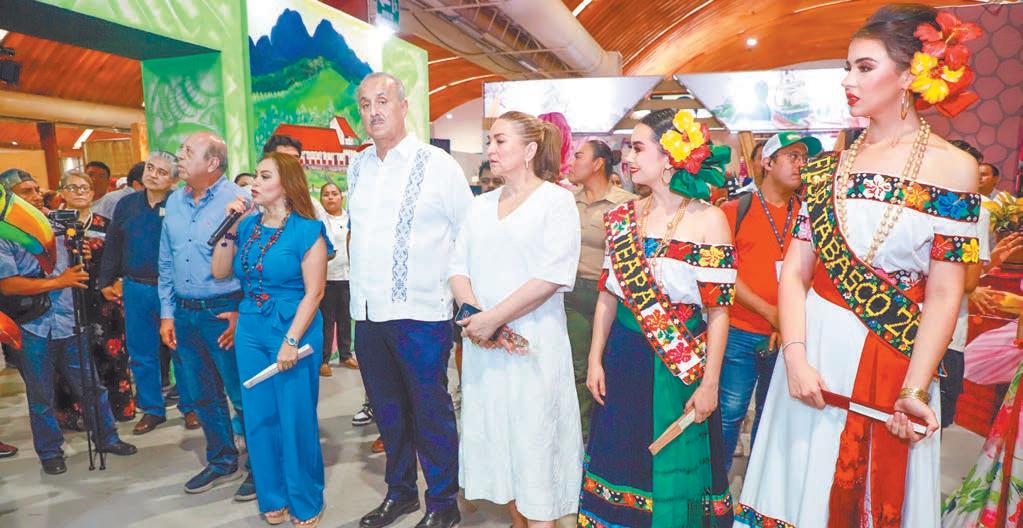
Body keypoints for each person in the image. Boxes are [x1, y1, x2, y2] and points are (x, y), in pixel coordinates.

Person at [736, 5, 983, 526]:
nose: (847, 81)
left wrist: (915, 388)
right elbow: (795, 271)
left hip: (896, 358)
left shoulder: (954, 170)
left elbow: (945, 292)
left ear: (911, 74)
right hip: (812, 354)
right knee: (797, 488)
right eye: (847, 68)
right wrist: (795, 357)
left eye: (864, 67)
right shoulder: (827, 167)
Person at [579, 108, 735, 527]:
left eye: (637, 148)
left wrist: (710, 383)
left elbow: (719, 311)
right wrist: (595, 359)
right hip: (624, 357)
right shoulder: (622, 218)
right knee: (621, 457)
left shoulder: (709, 220)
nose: (627, 157)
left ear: (670, 156)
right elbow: (608, 296)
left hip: (682, 364)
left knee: (675, 468)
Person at [348, 72, 471, 528]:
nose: (373, 111)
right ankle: (400, 493)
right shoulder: (358, 166)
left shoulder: (437, 165)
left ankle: (443, 503)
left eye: (382, 101)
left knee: (430, 413)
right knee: (388, 412)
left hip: (420, 313)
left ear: (404, 107)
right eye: (365, 104)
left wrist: (466, 301)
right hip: (367, 313)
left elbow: (467, 235)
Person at [452, 111, 583, 528]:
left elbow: (551, 275)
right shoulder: (479, 207)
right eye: (489, 141)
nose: (490, 149)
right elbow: (457, 267)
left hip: (534, 346)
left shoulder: (556, 202)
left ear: (529, 150)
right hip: (485, 347)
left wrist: (493, 319)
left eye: (500, 141)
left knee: (535, 444)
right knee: (499, 442)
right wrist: (475, 317)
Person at [212, 152, 330, 527]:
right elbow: (220, 271)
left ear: (287, 183)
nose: (254, 183)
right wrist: (229, 227)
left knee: (295, 416)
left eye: (264, 176)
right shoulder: (246, 225)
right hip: (251, 328)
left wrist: (291, 341)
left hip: (295, 326)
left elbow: (315, 293)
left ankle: (306, 498)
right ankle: (273, 494)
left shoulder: (308, 230)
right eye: (255, 176)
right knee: (259, 415)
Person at [0, 169, 136, 475]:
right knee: (41, 397)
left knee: (92, 387)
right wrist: (58, 281)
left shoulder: (59, 224)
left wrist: (82, 254)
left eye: (37, 189)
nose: (36, 196)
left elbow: (78, 269)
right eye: (25, 192)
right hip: (32, 326)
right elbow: (8, 284)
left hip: (72, 320)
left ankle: (107, 438)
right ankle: (50, 452)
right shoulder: (5, 234)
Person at [717, 131, 821, 470]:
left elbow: (813, 275)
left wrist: (786, 321)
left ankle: (757, 489)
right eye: (792, 157)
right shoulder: (735, 210)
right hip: (739, 331)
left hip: (789, 337)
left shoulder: (809, 215)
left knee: (773, 417)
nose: (801, 165)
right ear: (767, 162)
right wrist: (771, 313)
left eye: (804, 158)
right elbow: (723, 274)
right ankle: (716, 488)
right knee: (729, 413)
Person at [159, 131, 251, 499]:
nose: (179, 156)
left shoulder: (240, 201)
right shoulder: (174, 201)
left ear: (212, 163)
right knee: (202, 394)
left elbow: (252, 263)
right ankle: (221, 459)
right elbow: (166, 260)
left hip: (224, 310)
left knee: (241, 395)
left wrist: (242, 311)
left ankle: (259, 466)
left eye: (187, 151)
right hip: (185, 313)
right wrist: (167, 313)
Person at [98, 152, 198, 435]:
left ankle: (191, 406)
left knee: (182, 351)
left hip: (174, 290)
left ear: (174, 179)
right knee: (142, 353)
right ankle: (152, 409)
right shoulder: (127, 204)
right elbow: (113, 244)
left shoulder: (182, 203)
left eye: (162, 172)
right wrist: (106, 280)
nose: (153, 175)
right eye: (150, 168)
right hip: (136, 287)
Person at [54, 170, 135, 425]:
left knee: (112, 355)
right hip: (65, 300)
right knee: (72, 359)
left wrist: (118, 281)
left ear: (92, 193)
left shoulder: (106, 224)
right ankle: (77, 415)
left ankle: (117, 410)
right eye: (72, 187)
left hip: (103, 300)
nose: (79, 192)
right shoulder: (52, 225)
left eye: (84, 188)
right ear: (62, 192)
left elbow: (123, 259)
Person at [564, 139, 634, 437]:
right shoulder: (567, 202)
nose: (571, 162)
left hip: (612, 296)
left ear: (598, 163)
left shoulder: (627, 204)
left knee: (611, 366)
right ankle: (583, 439)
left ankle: (611, 436)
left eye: (579, 156)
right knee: (579, 368)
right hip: (573, 295)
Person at [318, 181, 356, 375]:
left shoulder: (351, 219)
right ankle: (323, 360)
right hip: (326, 278)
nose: (330, 197)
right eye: (326, 194)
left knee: (345, 319)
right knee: (327, 321)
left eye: (334, 193)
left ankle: (345, 355)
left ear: (342, 197)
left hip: (348, 278)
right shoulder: (319, 220)